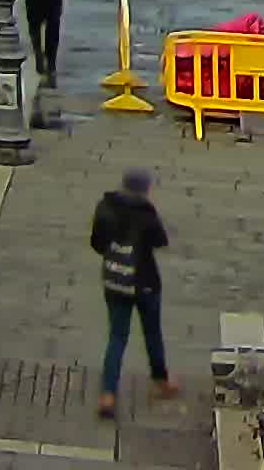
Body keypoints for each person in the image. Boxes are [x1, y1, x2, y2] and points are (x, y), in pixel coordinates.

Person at [89, 168, 175, 417]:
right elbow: (160, 240)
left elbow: (96, 243)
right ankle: (161, 382)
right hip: (145, 283)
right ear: (145, 189)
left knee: (117, 336)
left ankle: (107, 394)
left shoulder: (105, 207)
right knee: (152, 333)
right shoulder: (146, 213)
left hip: (115, 280)